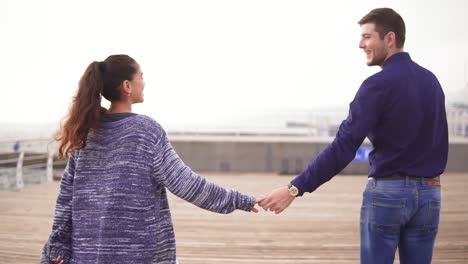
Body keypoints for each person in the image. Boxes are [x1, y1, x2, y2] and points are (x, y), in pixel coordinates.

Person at [259, 8, 448, 264]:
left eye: (367, 37)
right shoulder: (432, 82)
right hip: (430, 194)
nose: (361, 44)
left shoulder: (377, 85)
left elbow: (343, 147)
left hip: (388, 195)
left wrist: (295, 188)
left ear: (389, 39)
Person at [40, 55, 260, 264]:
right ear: (127, 86)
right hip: (139, 254)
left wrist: (58, 244)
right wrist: (239, 200)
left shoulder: (88, 132)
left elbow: (66, 198)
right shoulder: (146, 131)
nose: (144, 83)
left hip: (87, 254)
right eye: (141, 77)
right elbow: (188, 184)